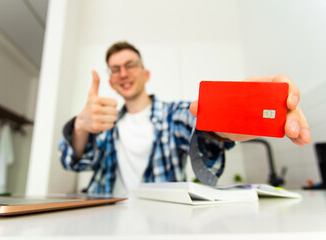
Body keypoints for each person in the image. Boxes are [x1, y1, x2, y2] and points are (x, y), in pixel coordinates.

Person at [59, 41, 310, 195]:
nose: (123, 73)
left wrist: (231, 117)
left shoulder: (173, 114)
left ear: (146, 74)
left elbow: (200, 126)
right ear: (111, 81)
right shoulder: (102, 121)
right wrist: (80, 126)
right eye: (115, 69)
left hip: (161, 222)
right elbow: (73, 163)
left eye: (130, 64)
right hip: (105, 220)